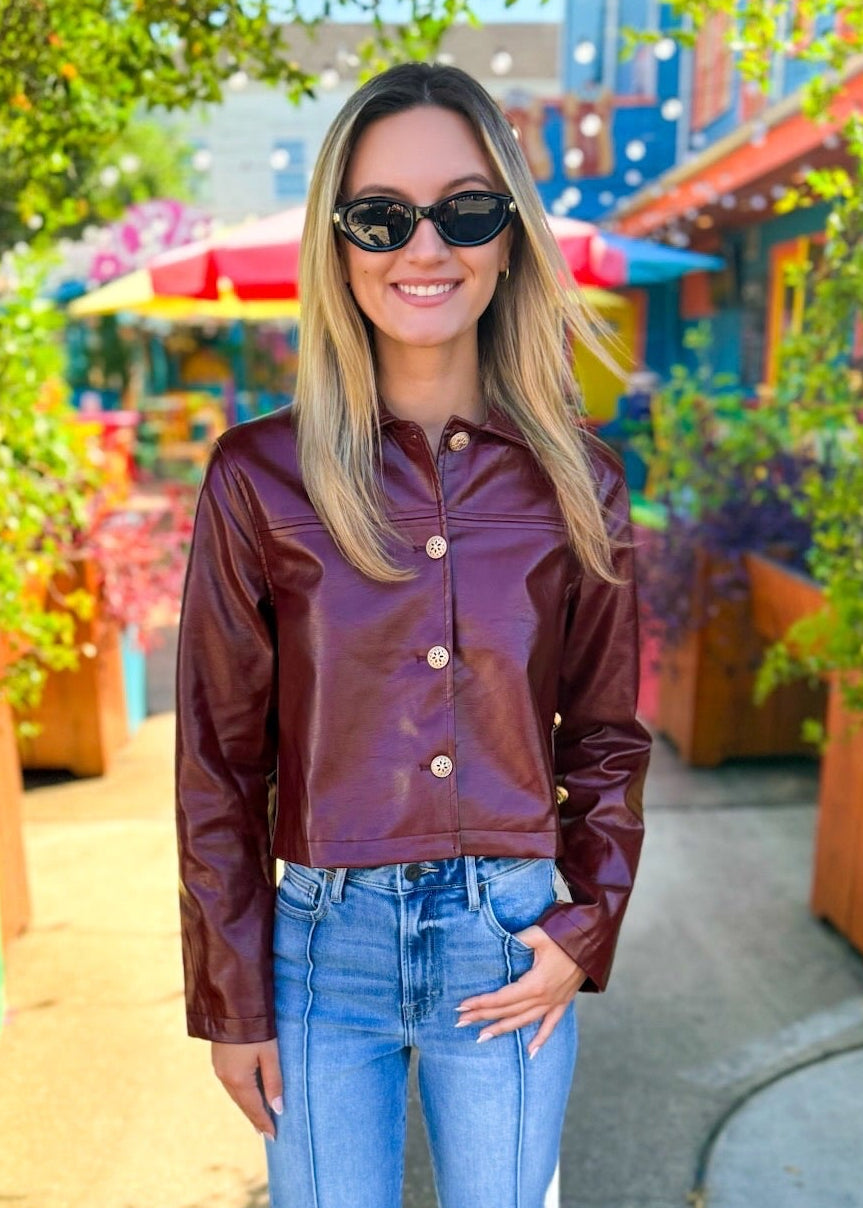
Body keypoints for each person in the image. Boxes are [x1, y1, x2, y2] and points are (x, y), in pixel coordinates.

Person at [175, 62, 651, 1208]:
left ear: (509, 236)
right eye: (380, 216)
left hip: (508, 939)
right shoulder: (255, 476)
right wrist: (231, 998)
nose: (423, 247)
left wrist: (584, 923)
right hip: (316, 954)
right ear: (337, 243)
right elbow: (217, 761)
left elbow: (603, 733)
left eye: (466, 210)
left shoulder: (579, 481)